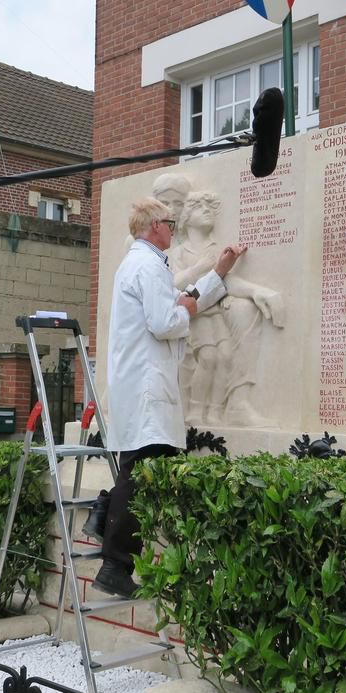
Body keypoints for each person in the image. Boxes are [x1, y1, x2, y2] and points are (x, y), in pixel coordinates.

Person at [85, 198, 246, 598]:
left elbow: (177, 303)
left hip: (143, 385)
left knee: (144, 469)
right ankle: (115, 562)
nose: (172, 229)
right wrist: (187, 310)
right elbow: (166, 320)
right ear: (154, 225)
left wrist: (216, 274)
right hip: (146, 386)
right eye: (169, 223)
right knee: (141, 472)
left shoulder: (143, 264)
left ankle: (103, 521)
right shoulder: (147, 265)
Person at [168, 191, 283, 424]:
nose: (207, 210)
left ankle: (215, 411)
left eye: (210, 206)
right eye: (199, 207)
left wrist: (255, 291)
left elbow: (224, 280)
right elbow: (173, 283)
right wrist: (199, 267)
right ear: (186, 217)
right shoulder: (178, 252)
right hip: (193, 316)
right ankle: (195, 411)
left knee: (226, 355)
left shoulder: (215, 248)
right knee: (209, 357)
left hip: (213, 313)